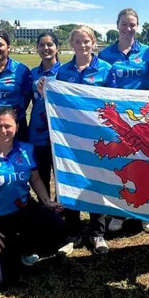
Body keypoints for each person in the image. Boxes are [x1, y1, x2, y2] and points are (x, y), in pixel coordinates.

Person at [0, 107, 66, 290]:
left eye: (8, 126)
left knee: (58, 227)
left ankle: (23, 248)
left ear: (17, 126)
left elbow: (35, 178)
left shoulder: (26, 149)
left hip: (24, 211)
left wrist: (46, 201)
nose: (3, 131)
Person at [51, 25, 116, 255]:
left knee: (95, 181)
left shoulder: (106, 70)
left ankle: (97, 233)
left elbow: (113, 104)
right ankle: (73, 232)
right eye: (78, 41)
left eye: (86, 41)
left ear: (94, 42)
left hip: (97, 137)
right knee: (71, 179)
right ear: (72, 45)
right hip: (70, 138)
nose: (82, 45)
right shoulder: (62, 72)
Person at [100, 8, 149, 234]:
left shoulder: (147, 53)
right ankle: (119, 212)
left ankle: (146, 212)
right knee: (121, 163)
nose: (128, 28)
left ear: (137, 26)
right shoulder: (106, 54)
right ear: (117, 25)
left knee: (144, 162)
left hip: (142, 120)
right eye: (124, 24)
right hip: (118, 120)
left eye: (132, 24)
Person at [29, 32, 61, 195]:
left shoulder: (65, 72)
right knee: (41, 176)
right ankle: (46, 211)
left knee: (61, 177)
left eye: (50, 44)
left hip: (59, 133)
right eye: (42, 45)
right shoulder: (32, 73)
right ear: (37, 48)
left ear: (57, 47)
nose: (46, 48)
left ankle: (65, 213)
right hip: (38, 133)